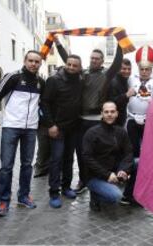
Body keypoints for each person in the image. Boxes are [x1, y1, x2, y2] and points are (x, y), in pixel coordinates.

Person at [54, 37, 123, 194]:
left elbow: (118, 62)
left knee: (98, 153)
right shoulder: (82, 73)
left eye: (97, 59)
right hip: (80, 121)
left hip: (97, 121)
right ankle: (83, 180)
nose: (94, 61)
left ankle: (98, 180)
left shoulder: (107, 74)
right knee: (81, 152)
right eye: (92, 58)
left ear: (102, 61)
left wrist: (120, 43)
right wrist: (58, 44)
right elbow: (68, 59)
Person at [0, 50, 45, 217]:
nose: (33, 64)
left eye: (37, 61)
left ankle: (23, 196)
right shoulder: (13, 77)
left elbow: (42, 104)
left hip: (31, 129)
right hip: (11, 127)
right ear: (25, 61)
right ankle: (4, 201)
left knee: (27, 165)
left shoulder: (41, 82)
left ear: (40, 63)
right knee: (6, 166)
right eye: (31, 61)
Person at [41, 55, 83, 208]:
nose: (71, 67)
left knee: (69, 159)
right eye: (69, 64)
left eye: (75, 65)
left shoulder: (80, 80)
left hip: (73, 127)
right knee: (56, 159)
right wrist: (50, 125)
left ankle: (66, 187)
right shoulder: (54, 80)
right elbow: (44, 103)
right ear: (66, 64)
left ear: (79, 67)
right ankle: (54, 192)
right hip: (57, 128)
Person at [82, 101, 133, 211]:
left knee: (138, 162)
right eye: (106, 112)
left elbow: (128, 152)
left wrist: (124, 170)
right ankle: (95, 195)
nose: (109, 114)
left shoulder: (121, 131)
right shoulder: (92, 133)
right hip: (95, 177)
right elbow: (87, 158)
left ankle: (130, 195)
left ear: (117, 113)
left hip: (115, 172)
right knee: (116, 196)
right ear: (102, 114)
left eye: (112, 112)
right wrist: (107, 175)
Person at [122, 45, 153, 205]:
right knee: (133, 154)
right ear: (138, 68)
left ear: (151, 69)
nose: (144, 72)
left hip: (148, 122)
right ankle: (130, 186)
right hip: (131, 121)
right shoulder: (130, 78)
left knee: (148, 155)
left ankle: (146, 186)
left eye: (147, 69)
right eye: (142, 69)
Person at [107, 58, 135, 126]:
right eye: (124, 69)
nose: (127, 71)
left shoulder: (125, 80)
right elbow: (111, 102)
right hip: (114, 119)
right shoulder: (114, 82)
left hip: (121, 117)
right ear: (118, 69)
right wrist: (126, 95)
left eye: (129, 69)